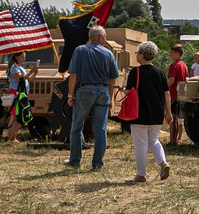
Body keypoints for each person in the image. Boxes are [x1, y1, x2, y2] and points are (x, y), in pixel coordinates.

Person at [66, 26, 120, 170]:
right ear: (100, 37)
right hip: (103, 92)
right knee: (100, 128)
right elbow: (113, 79)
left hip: (84, 90)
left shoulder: (80, 50)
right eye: (105, 36)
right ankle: (97, 163)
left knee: (77, 126)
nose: (106, 39)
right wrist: (110, 99)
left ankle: (75, 160)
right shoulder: (109, 53)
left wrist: (70, 95)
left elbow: (73, 75)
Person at [122, 41, 173, 183]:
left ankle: (141, 175)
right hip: (157, 112)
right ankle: (163, 163)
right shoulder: (160, 72)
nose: (136, 55)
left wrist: (122, 89)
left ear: (142, 55)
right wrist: (168, 112)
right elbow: (166, 94)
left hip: (139, 112)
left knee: (140, 144)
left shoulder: (135, 72)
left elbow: (129, 92)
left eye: (137, 53)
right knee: (153, 140)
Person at [5, 51, 38, 142]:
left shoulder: (20, 68)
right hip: (17, 93)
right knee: (20, 116)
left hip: (21, 93)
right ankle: (12, 138)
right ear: (16, 57)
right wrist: (31, 71)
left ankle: (11, 138)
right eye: (22, 57)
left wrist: (34, 74)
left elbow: (27, 80)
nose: (24, 59)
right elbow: (21, 79)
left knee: (14, 116)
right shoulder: (14, 68)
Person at [167, 44, 188, 145]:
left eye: (171, 52)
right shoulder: (184, 65)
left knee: (172, 118)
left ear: (177, 54)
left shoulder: (173, 65)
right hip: (181, 93)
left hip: (174, 94)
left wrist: (164, 87)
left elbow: (171, 80)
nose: (170, 54)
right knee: (178, 118)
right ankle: (176, 139)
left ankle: (172, 140)